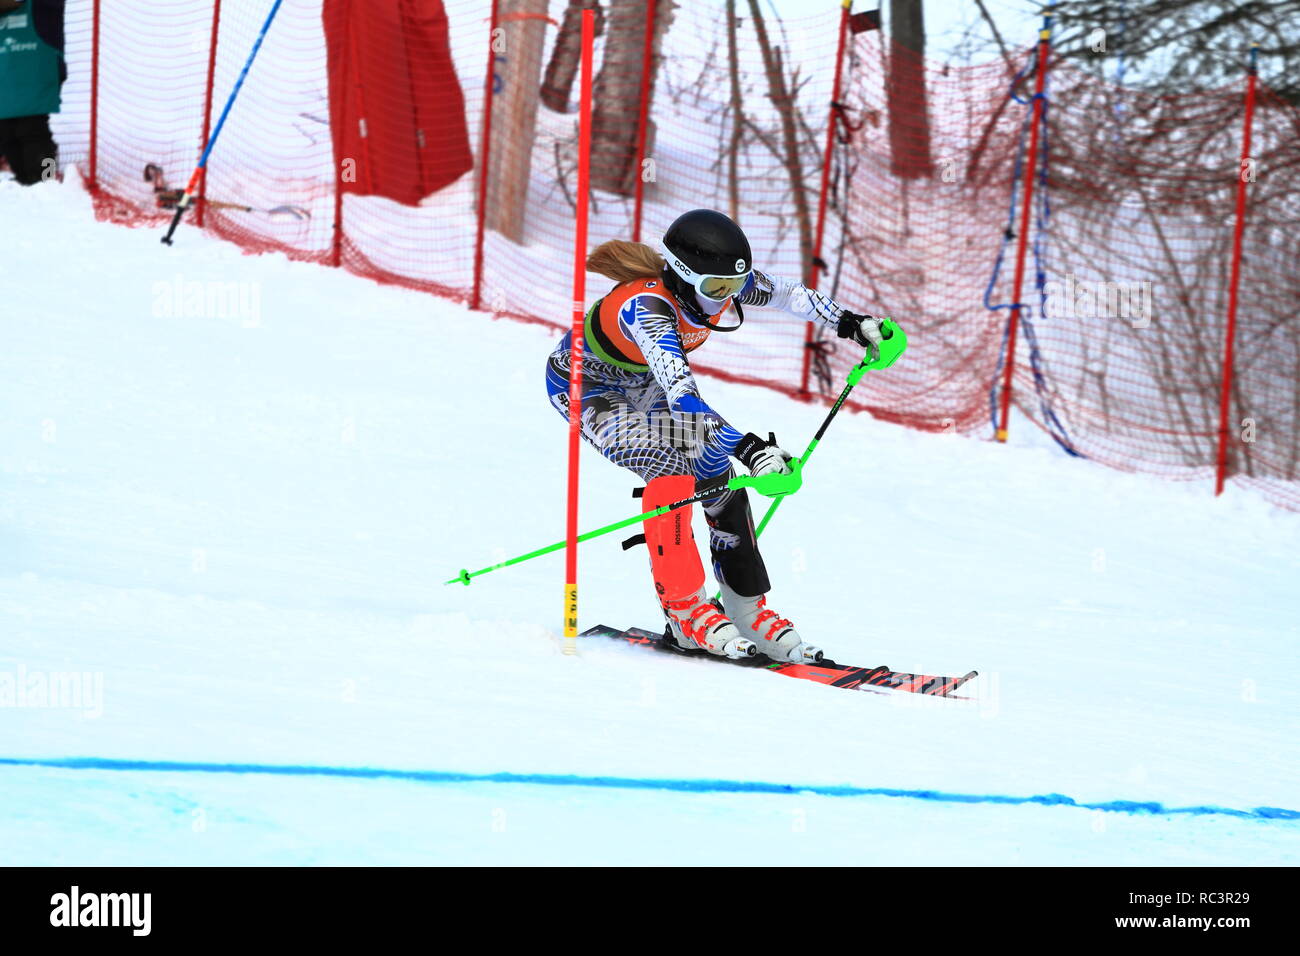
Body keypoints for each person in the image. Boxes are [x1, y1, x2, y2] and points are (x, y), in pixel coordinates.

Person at [546, 209, 886, 661]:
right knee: (665, 466)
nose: (725, 299)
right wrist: (750, 447)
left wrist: (850, 322)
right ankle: (685, 611)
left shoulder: (722, 282)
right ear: (684, 278)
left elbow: (788, 294)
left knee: (713, 468)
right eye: (714, 290)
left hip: (644, 380)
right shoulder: (647, 310)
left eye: (731, 288)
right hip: (588, 386)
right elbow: (684, 398)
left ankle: (744, 607)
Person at [0, 0, 66, 186]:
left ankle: (47, 179)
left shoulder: (42, 9)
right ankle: (31, 180)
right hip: (12, 90)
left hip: (32, 85)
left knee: (32, 133)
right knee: (10, 135)